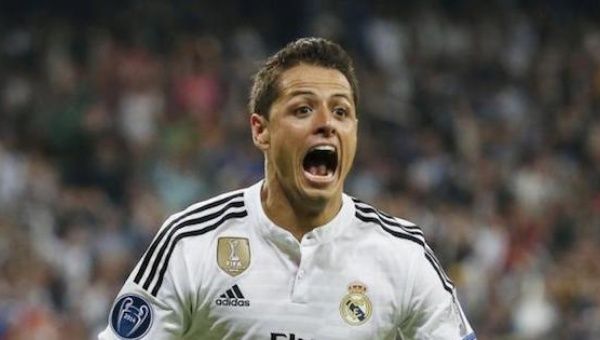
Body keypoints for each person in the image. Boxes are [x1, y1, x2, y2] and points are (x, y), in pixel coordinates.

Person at [99, 37, 476, 340]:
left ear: (355, 132)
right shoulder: (191, 242)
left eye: (341, 112)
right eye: (303, 110)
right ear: (260, 130)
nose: (327, 123)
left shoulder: (403, 255)